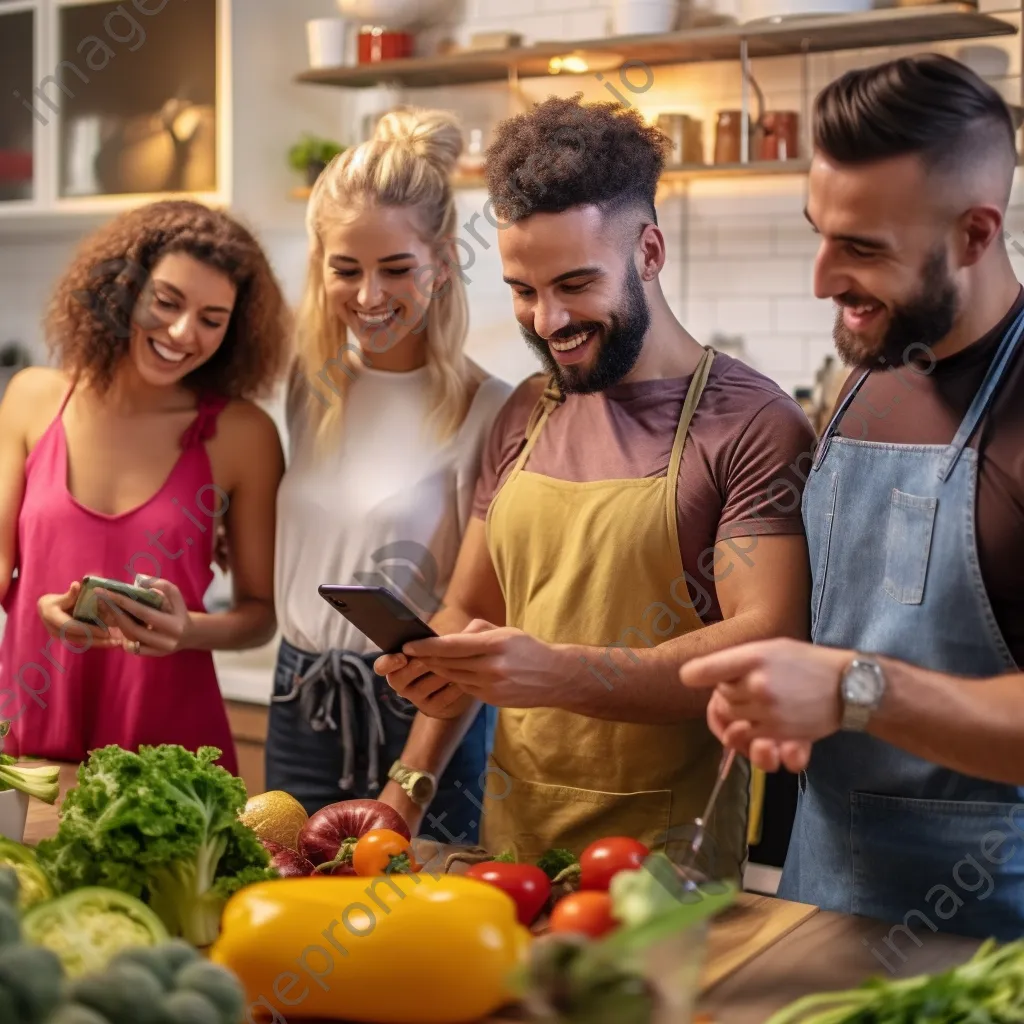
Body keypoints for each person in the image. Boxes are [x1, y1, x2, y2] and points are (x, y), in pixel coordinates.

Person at [377, 95, 817, 880]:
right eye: (523, 290)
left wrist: (559, 672)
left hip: (663, 863)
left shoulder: (752, 423)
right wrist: (403, 790)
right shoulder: (526, 410)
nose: (547, 322)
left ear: (648, 251)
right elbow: (474, 613)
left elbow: (765, 637)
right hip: (508, 847)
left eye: (575, 284)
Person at [682, 54, 1024, 940]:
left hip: (991, 940)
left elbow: (857, 675)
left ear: (977, 235)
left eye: (864, 249)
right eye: (818, 234)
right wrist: (778, 687)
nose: (823, 279)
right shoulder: (870, 369)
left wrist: (854, 689)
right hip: (819, 902)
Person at [267, 107, 512, 842]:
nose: (370, 296)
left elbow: (479, 612)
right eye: (347, 269)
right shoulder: (311, 390)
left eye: (396, 268)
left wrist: (409, 783)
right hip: (298, 698)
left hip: (423, 715)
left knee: (416, 934)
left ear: (442, 262)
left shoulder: (491, 408)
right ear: (321, 267)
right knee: (287, 921)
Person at [0, 199, 290, 775]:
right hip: (31, 716)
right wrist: (37, 607)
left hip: (170, 745)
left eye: (212, 318)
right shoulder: (33, 397)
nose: (183, 332)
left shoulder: (243, 434)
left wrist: (185, 630)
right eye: (166, 301)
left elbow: (261, 614)